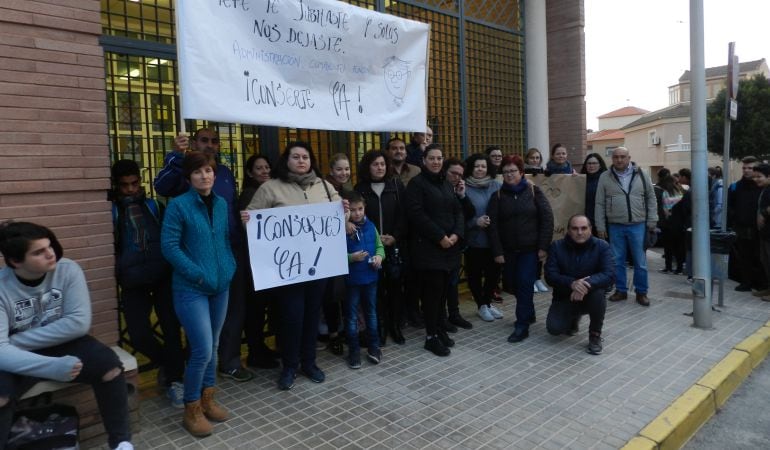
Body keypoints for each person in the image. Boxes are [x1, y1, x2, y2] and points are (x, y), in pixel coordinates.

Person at [0, 222, 134, 450]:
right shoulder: (2, 287)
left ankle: (121, 442)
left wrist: (13, 342)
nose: (50, 253)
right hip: (18, 355)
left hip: (55, 342)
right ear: (15, 261)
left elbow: (78, 324)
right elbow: (2, 354)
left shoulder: (68, 269)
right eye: (38, 252)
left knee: (110, 366)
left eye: (49, 246)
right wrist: (50, 366)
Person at [243, 141, 346, 390]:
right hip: (287, 270)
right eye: (296, 157)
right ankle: (289, 366)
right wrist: (246, 218)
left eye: (305, 157)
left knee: (312, 316)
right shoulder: (271, 188)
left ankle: (309, 363)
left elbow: (337, 221)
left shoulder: (325, 186)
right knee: (291, 318)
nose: (301, 161)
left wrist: (344, 211)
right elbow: (253, 223)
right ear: (286, 160)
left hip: (317, 267)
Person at [154, 128, 252, 382]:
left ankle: (225, 368)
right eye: (204, 140)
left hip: (227, 259)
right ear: (194, 143)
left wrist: (231, 260)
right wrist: (176, 154)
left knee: (226, 324)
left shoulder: (226, 175)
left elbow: (230, 209)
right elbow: (162, 185)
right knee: (202, 343)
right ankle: (192, 399)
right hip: (196, 272)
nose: (209, 145)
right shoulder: (182, 178)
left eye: (214, 141)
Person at [161, 151, 236, 437]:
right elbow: (170, 247)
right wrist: (197, 273)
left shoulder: (220, 203)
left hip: (220, 286)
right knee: (202, 349)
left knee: (213, 346)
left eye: (209, 171)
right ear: (189, 177)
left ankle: (208, 399)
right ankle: (191, 408)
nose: (205, 176)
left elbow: (224, 240)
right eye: (198, 172)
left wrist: (229, 267)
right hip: (191, 288)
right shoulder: (178, 206)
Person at [110, 160, 185, 408]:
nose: (131, 190)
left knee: (172, 330)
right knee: (139, 335)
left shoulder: (154, 206)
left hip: (162, 275)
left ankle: (175, 380)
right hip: (133, 281)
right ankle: (171, 363)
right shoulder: (112, 212)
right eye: (125, 186)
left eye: (134, 183)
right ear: (116, 186)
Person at [405, 144, 464, 356]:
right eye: (432, 158)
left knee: (442, 295)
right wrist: (440, 237)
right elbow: (417, 216)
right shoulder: (416, 184)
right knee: (432, 296)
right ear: (423, 160)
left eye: (439, 158)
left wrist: (456, 234)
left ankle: (439, 330)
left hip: (450, 248)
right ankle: (431, 337)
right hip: (429, 250)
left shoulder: (446, 184)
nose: (436, 162)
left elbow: (458, 211)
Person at [488, 155, 554, 343]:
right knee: (512, 284)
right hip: (508, 251)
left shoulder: (534, 191)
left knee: (525, 283)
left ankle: (522, 325)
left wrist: (543, 246)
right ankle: (529, 312)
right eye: (506, 171)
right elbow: (492, 227)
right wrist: (498, 251)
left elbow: (547, 219)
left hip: (529, 250)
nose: (509, 175)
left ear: (521, 172)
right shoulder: (498, 196)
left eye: (513, 171)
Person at [354, 150, 408, 345]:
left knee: (395, 288)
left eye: (383, 164)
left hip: (394, 247)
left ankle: (395, 326)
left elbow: (404, 214)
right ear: (368, 166)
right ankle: (380, 328)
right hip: (371, 249)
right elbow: (356, 217)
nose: (379, 167)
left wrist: (394, 236)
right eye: (375, 164)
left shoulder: (396, 185)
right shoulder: (360, 188)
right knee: (375, 291)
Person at [595, 147, 658, 307]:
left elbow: (651, 197)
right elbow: (599, 203)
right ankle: (621, 290)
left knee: (640, 261)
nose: (619, 160)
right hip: (615, 225)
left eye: (623, 157)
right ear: (612, 159)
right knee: (617, 261)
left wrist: (652, 220)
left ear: (629, 157)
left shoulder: (641, 174)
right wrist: (600, 226)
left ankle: (641, 292)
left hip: (638, 225)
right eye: (616, 157)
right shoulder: (605, 176)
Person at [544, 215, 614, 355]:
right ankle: (573, 319)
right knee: (554, 329)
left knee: (599, 294)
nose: (580, 232)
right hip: (564, 296)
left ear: (590, 229)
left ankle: (595, 335)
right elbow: (550, 276)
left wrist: (585, 284)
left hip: (591, 296)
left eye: (584, 228)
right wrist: (571, 283)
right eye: (575, 228)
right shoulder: (557, 247)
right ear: (569, 230)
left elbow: (609, 274)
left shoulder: (602, 246)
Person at [238, 155, 280, 370]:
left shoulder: (270, 191)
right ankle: (255, 352)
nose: (264, 171)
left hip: (269, 262)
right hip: (256, 264)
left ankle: (260, 348)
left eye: (267, 167)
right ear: (250, 172)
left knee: (263, 308)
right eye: (259, 168)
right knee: (255, 310)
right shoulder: (249, 195)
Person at [344, 191, 386, 368]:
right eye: (352, 210)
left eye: (360, 209)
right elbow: (334, 255)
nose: (357, 213)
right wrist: (351, 258)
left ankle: (374, 347)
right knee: (351, 317)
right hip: (352, 280)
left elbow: (379, 246)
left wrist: (379, 257)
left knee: (371, 313)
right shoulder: (342, 229)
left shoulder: (371, 226)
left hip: (370, 278)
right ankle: (353, 351)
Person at [462, 153, 503, 322]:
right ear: (471, 167)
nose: (480, 169)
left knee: (494, 274)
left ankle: (487, 302)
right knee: (475, 275)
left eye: (483, 166)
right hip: (474, 240)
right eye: (477, 166)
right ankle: (481, 305)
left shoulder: (497, 186)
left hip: (494, 240)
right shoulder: (463, 188)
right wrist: (474, 222)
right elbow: (459, 215)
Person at [320, 153, 351, 355]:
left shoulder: (348, 190)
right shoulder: (322, 189)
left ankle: (343, 330)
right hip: (326, 251)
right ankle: (332, 334)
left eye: (347, 169)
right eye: (339, 169)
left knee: (341, 293)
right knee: (330, 295)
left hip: (345, 249)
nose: (343, 173)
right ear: (331, 170)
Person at [442, 158, 475, 331]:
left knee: (453, 282)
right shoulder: (439, 189)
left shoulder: (458, 191)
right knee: (441, 284)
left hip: (456, 243)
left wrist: (462, 195)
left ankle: (454, 314)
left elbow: (470, 213)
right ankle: (442, 317)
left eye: (460, 175)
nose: (456, 177)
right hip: (440, 242)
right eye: (453, 173)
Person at [728, 156, 765, 293]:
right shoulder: (735, 186)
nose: (746, 171)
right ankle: (746, 282)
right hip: (742, 228)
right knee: (744, 257)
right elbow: (729, 206)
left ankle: (762, 284)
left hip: (760, 229)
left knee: (760, 257)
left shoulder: (763, 186)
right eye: (744, 168)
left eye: (750, 168)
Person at [656, 174, 685, 274]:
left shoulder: (665, 193)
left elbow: (665, 209)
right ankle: (679, 268)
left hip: (668, 223)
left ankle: (668, 267)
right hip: (679, 223)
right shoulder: (680, 192)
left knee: (668, 247)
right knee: (678, 247)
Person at [752, 163, 770, 300]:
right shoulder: (765, 189)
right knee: (765, 261)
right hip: (764, 234)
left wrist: (762, 214)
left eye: (760, 177)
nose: (756, 179)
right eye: (755, 177)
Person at [580, 153, 607, 236]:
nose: (591, 166)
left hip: (603, 221)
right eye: (589, 163)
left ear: (600, 165)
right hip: (585, 221)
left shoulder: (606, 179)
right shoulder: (581, 180)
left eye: (594, 163)